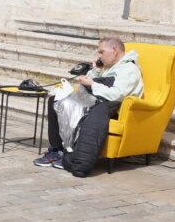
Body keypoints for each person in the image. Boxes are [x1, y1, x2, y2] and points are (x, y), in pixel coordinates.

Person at [34, 37, 144, 177]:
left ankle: (70, 152)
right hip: (95, 99)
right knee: (55, 101)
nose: (99, 56)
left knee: (70, 106)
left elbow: (117, 94)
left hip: (110, 108)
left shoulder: (129, 69)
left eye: (101, 52)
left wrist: (92, 83)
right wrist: (96, 71)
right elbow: (94, 83)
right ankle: (57, 150)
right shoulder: (109, 67)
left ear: (114, 50)